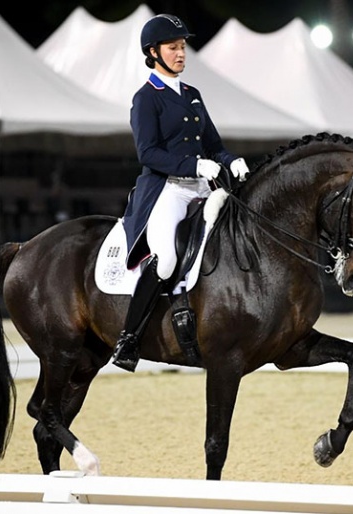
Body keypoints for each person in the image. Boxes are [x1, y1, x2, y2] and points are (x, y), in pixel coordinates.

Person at [112, 13, 250, 372]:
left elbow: (213, 144)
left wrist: (230, 159)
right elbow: (148, 153)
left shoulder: (192, 94)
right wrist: (193, 166)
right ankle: (128, 338)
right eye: (173, 47)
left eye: (183, 46)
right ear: (154, 52)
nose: (181, 53)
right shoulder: (147, 98)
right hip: (167, 191)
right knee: (167, 260)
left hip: (202, 187)